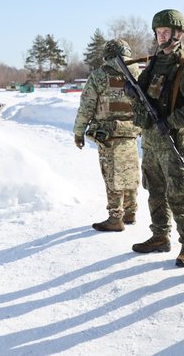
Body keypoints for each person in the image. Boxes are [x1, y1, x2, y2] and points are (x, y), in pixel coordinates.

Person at [129, 9, 184, 267]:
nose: (161, 36)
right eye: (158, 32)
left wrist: (169, 122)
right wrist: (132, 92)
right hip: (151, 141)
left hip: (175, 142)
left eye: (165, 32)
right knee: (155, 190)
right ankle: (160, 235)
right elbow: (146, 96)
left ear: (178, 34)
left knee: (179, 194)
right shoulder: (154, 63)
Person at [73, 39, 141, 231]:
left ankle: (115, 218)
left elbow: (86, 107)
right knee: (130, 170)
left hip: (107, 135)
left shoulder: (99, 76)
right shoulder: (137, 74)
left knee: (112, 174)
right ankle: (130, 212)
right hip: (131, 131)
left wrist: (79, 132)